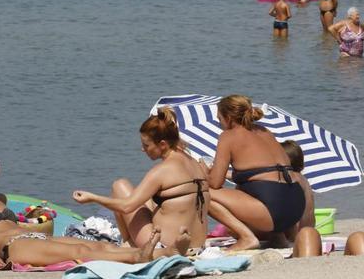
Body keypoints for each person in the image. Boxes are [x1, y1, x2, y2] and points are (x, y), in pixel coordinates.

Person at [0, 130, 168, 267]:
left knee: (98, 245)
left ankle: (160, 253)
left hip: (36, 238)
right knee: (80, 252)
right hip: (15, 247)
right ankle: (138, 257)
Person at [74, 107, 245, 252]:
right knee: (148, 197)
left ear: (163, 144)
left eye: (146, 145)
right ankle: (131, 242)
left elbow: (127, 207)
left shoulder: (162, 171)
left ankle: (129, 242)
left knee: (120, 186)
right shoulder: (194, 163)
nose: (143, 149)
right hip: (197, 246)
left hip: (163, 247)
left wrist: (93, 198)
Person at [206, 95, 307, 246]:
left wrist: (204, 171)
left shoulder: (228, 136)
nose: (219, 123)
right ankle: (278, 238)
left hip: (273, 209)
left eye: (219, 119)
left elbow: (215, 183)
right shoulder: (264, 131)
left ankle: (246, 238)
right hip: (295, 207)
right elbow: (262, 173)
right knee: (250, 186)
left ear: (228, 118)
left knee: (202, 193)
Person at [280, 141, 315, 231]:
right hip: (308, 229)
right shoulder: (303, 179)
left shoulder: (292, 178)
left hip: (297, 231)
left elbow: (294, 211)